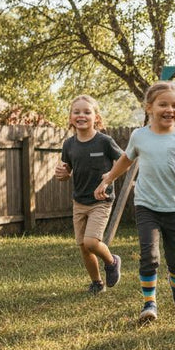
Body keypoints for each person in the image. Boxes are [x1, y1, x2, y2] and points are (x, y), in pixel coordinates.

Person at [98, 81, 175, 323]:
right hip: (146, 205)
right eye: (163, 104)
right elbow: (126, 159)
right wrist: (108, 179)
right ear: (149, 108)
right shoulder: (140, 136)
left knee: (174, 257)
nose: (170, 109)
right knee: (149, 255)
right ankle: (149, 303)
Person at [54, 95, 124, 295]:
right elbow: (66, 169)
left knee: (92, 242)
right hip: (79, 201)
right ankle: (97, 283)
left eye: (87, 112)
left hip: (101, 201)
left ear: (96, 117)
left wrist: (109, 177)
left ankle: (112, 262)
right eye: (76, 112)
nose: (81, 115)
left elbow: (124, 161)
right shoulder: (69, 144)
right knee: (84, 247)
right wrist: (63, 175)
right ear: (70, 117)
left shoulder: (104, 142)